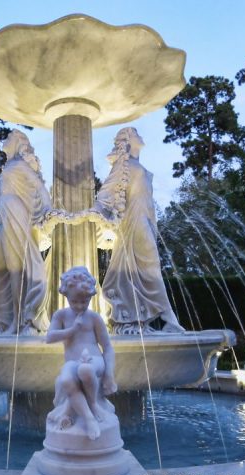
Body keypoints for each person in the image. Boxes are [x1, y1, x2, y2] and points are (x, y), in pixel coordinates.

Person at [91, 127, 184, 333]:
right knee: (150, 270)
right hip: (134, 224)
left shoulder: (135, 165)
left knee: (142, 271)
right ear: (126, 141)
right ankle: (170, 321)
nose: (139, 134)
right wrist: (97, 214)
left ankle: (138, 319)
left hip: (144, 223)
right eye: (134, 133)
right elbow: (105, 194)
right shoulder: (124, 166)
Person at [0, 130, 51, 335]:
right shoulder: (9, 165)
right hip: (4, 218)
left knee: (17, 267)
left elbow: (40, 188)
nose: (4, 139)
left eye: (9, 137)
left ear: (18, 143)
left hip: (16, 213)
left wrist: (49, 213)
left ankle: (20, 320)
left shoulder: (21, 165)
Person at [46, 267, 118, 440]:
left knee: (85, 370)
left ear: (90, 297)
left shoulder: (93, 317)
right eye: (74, 301)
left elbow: (107, 347)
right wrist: (71, 330)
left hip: (94, 360)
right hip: (72, 362)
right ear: (66, 296)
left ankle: (92, 405)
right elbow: (49, 337)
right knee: (65, 379)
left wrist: (109, 374)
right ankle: (88, 416)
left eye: (84, 302)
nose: (79, 306)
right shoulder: (61, 315)